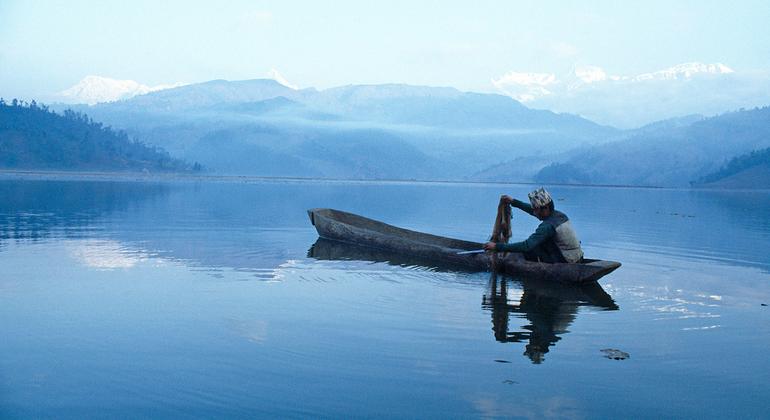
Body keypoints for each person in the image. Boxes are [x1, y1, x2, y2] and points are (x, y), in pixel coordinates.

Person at [483, 187, 583, 263]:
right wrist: (513, 202)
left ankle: (535, 267)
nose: (534, 213)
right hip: (577, 256)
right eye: (534, 209)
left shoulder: (547, 226)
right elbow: (532, 210)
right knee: (536, 243)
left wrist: (497, 246)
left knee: (530, 248)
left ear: (546, 208)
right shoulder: (559, 215)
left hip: (566, 260)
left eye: (536, 209)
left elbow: (526, 246)